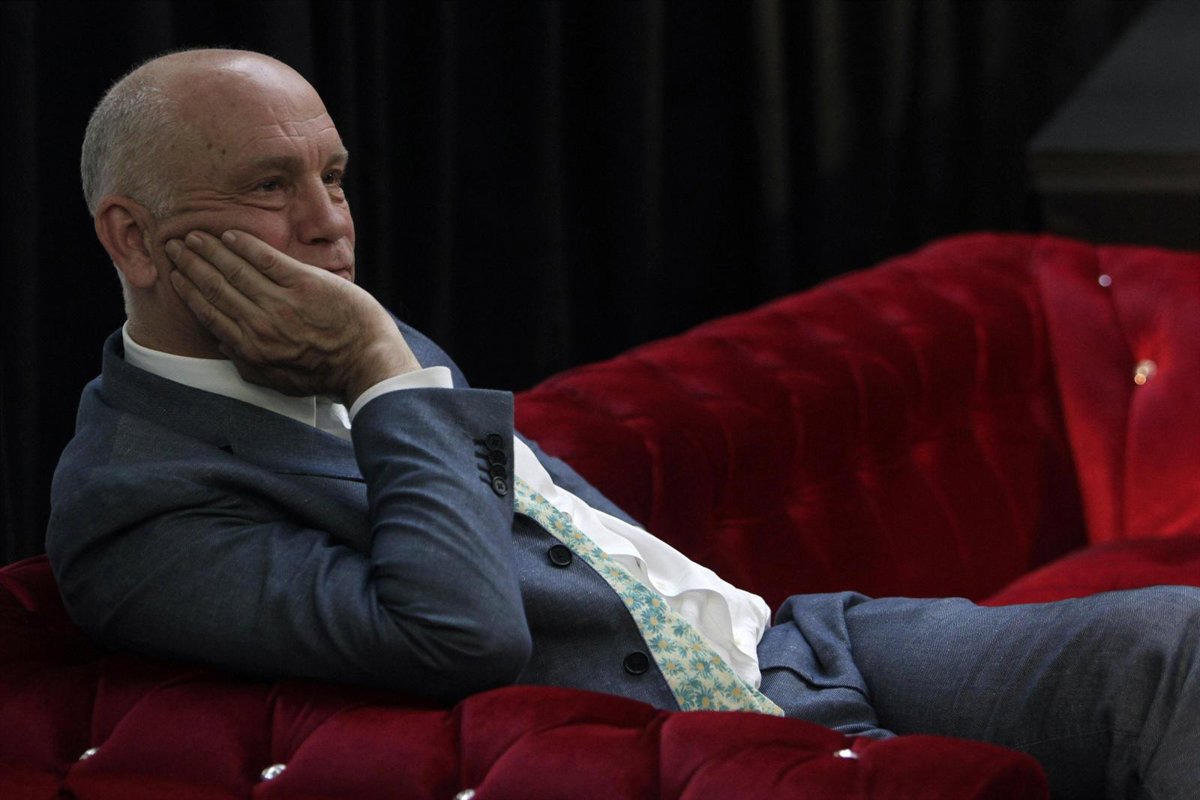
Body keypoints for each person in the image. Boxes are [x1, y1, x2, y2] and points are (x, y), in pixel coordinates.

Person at [48, 48, 1199, 798]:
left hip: (795, 643)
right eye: (269, 185)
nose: (327, 223)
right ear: (133, 237)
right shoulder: (137, 509)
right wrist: (379, 369)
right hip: (694, 735)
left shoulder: (343, 332)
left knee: (1174, 637)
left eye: (335, 176)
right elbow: (460, 634)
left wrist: (379, 363)